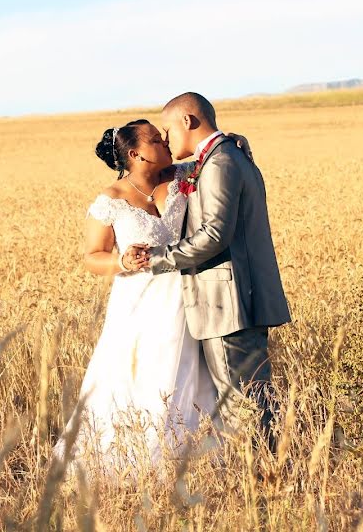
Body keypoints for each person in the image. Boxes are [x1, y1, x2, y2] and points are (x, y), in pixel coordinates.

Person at [54, 119, 252, 476]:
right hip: (139, 299)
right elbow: (91, 256)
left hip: (188, 292)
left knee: (193, 367)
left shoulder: (182, 176)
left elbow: (217, 157)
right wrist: (121, 260)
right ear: (136, 154)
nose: (165, 140)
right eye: (155, 139)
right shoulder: (109, 202)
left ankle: (199, 455)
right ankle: (143, 458)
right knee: (143, 369)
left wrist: (233, 141)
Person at [124, 92, 291, 449]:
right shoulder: (221, 156)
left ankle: (263, 482)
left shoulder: (220, 162)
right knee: (250, 403)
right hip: (231, 301)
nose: (166, 140)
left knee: (243, 407)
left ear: (187, 121)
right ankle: (267, 474)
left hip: (228, 303)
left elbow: (214, 234)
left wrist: (156, 258)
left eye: (167, 130)